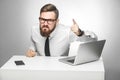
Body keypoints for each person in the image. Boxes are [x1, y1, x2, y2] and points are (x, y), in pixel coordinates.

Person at [26, 3, 98, 57]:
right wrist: (31, 51)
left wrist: (80, 33)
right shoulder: (34, 29)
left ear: (57, 22)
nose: (45, 24)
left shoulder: (66, 32)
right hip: (41, 70)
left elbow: (93, 40)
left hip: (61, 70)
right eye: (42, 19)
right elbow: (33, 47)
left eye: (49, 20)